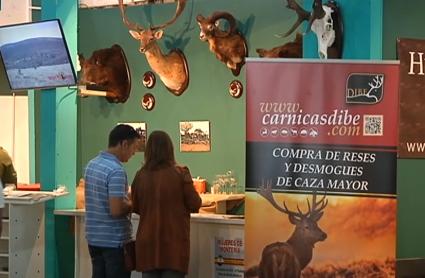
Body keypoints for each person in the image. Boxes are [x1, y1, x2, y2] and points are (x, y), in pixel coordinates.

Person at [131, 130, 202, 278]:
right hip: (174, 245)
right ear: (170, 149)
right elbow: (195, 203)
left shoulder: (140, 175)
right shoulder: (181, 173)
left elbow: (135, 207)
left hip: (147, 245)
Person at [84, 124, 140, 278]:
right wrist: (134, 202)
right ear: (124, 144)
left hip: (94, 238)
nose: (134, 153)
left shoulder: (91, 165)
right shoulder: (116, 170)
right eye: (134, 148)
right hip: (114, 241)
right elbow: (116, 210)